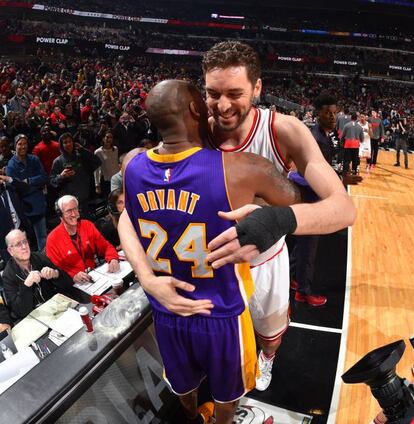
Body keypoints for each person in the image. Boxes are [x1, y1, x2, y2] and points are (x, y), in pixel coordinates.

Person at [118, 80, 303, 424]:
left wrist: (145, 275)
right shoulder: (243, 168)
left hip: (167, 310)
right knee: (227, 398)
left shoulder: (132, 167)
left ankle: (193, 419)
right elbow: (295, 204)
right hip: (221, 314)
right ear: (194, 110)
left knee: (183, 388)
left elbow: (127, 217)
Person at [201, 41, 356, 391]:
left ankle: (267, 359)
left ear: (257, 88)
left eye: (234, 93)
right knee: (218, 347)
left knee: (270, 338)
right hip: (212, 260)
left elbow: (344, 208)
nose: (222, 106)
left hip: (266, 259)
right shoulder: (193, 130)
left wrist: (278, 219)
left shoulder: (282, 130)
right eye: (213, 93)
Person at [290, 92, 339, 307]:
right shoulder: (319, 140)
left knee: (301, 245)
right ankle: (304, 291)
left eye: (335, 112)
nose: (332, 116)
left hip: (305, 197)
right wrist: (335, 183)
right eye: (328, 112)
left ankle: (293, 277)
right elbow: (311, 174)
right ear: (318, 113)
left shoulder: (320, 135)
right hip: (311, 199)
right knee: (309, 248)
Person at [46, 195, 120, 285]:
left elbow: (106, 247)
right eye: (69, 211)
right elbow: (56, 273)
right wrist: (73, 277)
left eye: (75, 209)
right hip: (72, 285)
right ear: (60, 215)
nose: (74, 214)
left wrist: (113, 258)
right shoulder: (52, 239)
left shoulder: (87, 226)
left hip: (95, 278)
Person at [3, 229, 72, 320]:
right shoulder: (8, 275)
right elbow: (20, 311)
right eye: (18, 244)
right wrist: (26, 285)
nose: (24, 246)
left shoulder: (39, 258)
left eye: (25, 242)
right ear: (10, 251)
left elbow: (69, 283)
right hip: (34, 320)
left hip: (55, 310)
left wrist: (55, 274)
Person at [6, 134, 48, 251]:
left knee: (43, 238)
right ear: (15, 146)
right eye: (20, 144)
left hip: (38, 204)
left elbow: (44, 178)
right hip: (24, 208)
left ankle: (44, 264)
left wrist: (29, 181)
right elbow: (16, 187)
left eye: (25, 143)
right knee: (26, 242)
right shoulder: (11, 165)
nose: (23, 146)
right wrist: (33, 185)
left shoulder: (34, 159)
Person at [49, 132, 101, 218]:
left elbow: (97, 162)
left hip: (84, 199)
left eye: (70, 141)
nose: (68, 144)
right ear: (61, 145)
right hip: (69, 203)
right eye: (65, 142)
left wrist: (82, 150)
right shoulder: (58, 161)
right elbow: (52, 182)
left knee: (86, 226)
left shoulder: (81, 156)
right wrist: (61, 176)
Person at [94, 131, 119, 198]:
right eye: (107, 137)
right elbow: (96, 169)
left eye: (111, 137)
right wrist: (97, 185)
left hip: (117, 178)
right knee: (109, 199)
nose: (109, 139)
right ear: (103, 138)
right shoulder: (98, 152)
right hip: (106, 180)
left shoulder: (115, 149)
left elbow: (116, 163)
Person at [341, 112, 364, 176]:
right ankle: (354, 172)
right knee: (355, 160)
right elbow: (362, 139)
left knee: (346, 160)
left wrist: (342, 142)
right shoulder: (360, 127)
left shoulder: (346, 125)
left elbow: (342, 136)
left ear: (351, 118)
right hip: (356, 145)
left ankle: (345, 172)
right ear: (356, 118)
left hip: (348, 144)